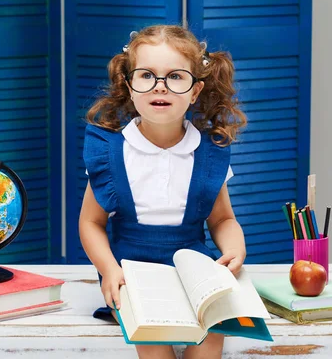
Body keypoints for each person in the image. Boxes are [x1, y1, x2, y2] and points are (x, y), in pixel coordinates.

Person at [79, 25, 247, 359]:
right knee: (153, 340)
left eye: (175, 77)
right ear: (129, 86)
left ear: (195, 91)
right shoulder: (109, 152)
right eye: (147, 76)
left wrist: (233, 248)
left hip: (194, 277)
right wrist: (110, 270)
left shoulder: (208, 151)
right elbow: (91, 223)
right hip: (131, 277)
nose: (160, 86)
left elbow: (223, 219)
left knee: (214, 333)